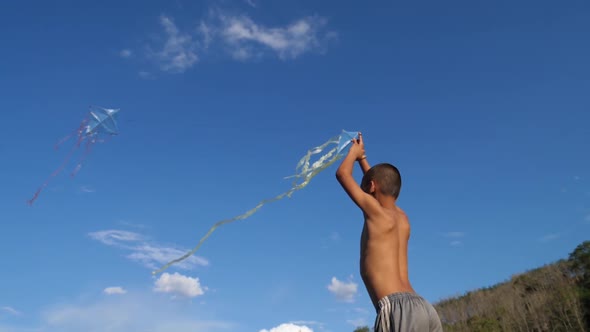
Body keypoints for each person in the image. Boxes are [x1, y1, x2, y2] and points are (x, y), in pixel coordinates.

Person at [335, 132, 443, 332]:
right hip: (424, 309)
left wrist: (353, 153)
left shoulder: (375, 212)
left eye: (363, 187)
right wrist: (363, 160)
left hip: (396, 309)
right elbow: (379, 184)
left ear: (372, 187)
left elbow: (342, 174)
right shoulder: (402, 218)